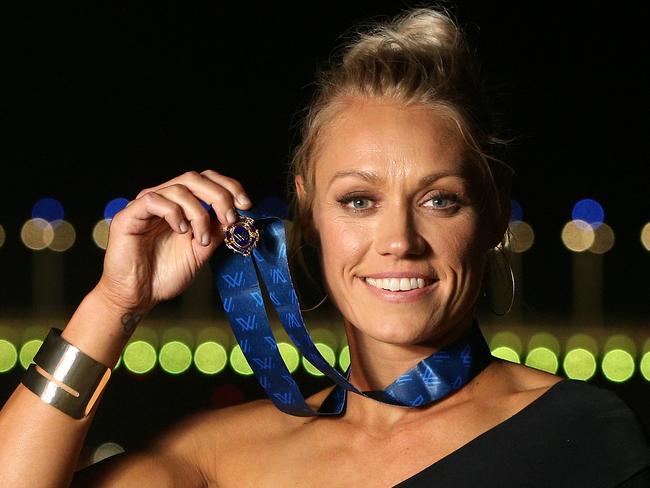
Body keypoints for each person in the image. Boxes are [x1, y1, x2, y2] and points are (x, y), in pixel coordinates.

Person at [1, 7, 648, 487]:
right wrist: (113, 303)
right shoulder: (222, 455)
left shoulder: (583, 431)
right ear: (308, 212)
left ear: (492, 213)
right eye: (359, 201)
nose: (398, 240)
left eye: (439, 199)